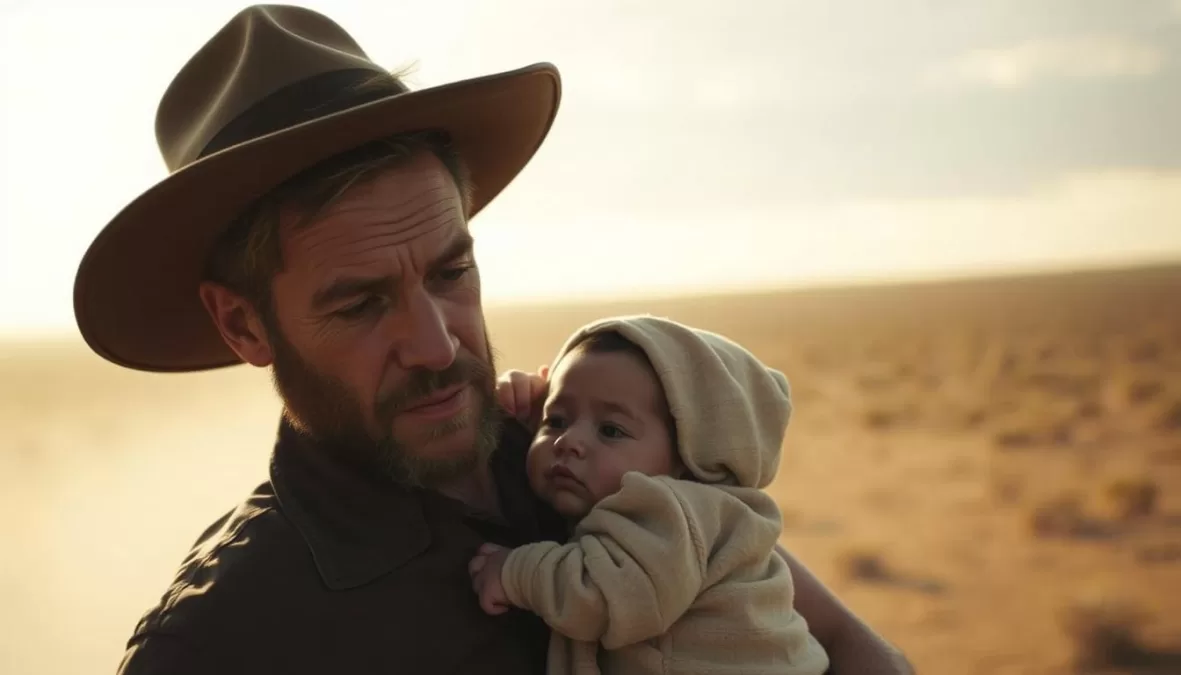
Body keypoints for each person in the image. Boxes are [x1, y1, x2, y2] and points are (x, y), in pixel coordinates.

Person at [73, 4, 911, 674]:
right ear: (244, 323)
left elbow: (841, 638)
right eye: (363, 304)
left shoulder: (578, 440)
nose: (438, 346)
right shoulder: (226, 644)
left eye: (449, 273)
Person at [470, 315, 831, 674]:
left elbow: (606, 596)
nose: (569, 443)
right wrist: (524, 412)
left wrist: (515, 572)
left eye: (610, 430)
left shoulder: (676, 513)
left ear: (688, 458)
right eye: (557, 421)